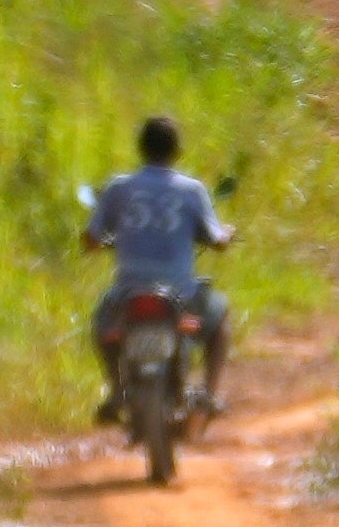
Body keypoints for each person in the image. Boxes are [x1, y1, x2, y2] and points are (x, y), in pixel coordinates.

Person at [76, 116, 233, 426]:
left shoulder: (119, 187)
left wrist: (97, 241)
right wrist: (226, 234)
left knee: (102, 325)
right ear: (178, 151)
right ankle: (210, 393)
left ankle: (116, 389)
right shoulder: (192, 190)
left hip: (129, 291)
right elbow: (217, 239)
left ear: (141, 149)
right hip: (180, 293)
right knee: (220, 317)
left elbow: (91, 238)